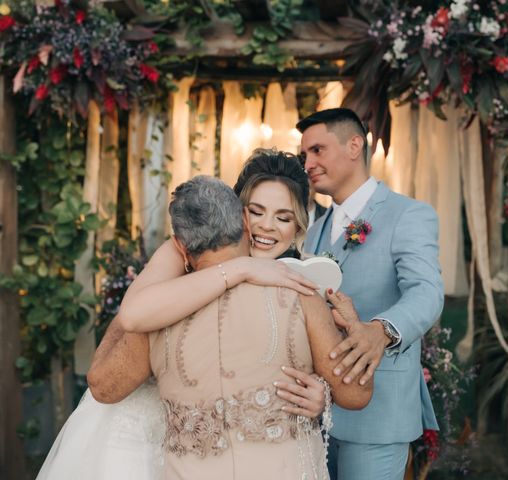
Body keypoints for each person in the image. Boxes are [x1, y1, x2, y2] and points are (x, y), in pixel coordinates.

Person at [35, 150, 328, 480]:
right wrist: (242, 267)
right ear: (239, 215)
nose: (266, 226)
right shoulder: (187, 250)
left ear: (300, 224)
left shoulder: (304, 280)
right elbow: (130, 320)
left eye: (283, 217)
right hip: (167, 437)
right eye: (256, 212)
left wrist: (321, 396)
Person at [96, 175, 372, 479]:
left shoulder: (154, 314)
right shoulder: (300, 291)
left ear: (179, 245)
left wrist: (145, 289)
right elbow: (356, 395)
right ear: (244, 220)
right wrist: (353, 330)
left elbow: (103, 387)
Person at [298, 107, 444, 480]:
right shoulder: (314, 232)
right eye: (304, 155)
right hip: (318, 411)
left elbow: (427, 292)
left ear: (353, 145)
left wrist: (381, 331)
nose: (308, 163)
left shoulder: (408, 214)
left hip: (379, 412)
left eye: (317, 150)